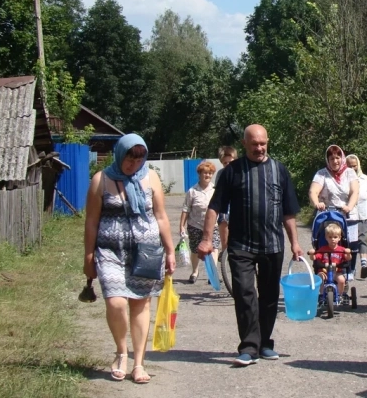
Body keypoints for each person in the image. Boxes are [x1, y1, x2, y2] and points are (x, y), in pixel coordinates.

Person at [197, 124, 303, 366]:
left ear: (268, 142)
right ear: (244, 144)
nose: (259, 148)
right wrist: (206, 239)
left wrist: (295, 243)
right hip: (240, 245)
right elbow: (215, 207)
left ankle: (265, 343)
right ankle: (248, 347)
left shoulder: (279, 170)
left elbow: (289, 212)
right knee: (245, 294)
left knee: (268, 297)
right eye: (254, 144)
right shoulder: (231, 172)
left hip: (272, 244)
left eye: (263, 143)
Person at [83, 133, 176, 384]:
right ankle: (121, 353)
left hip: (145, 252)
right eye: (129, 159)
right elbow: (91, 221)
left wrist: (169, 251)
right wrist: (88, 256)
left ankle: (138, 363)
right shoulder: (100, 180)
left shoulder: (151, 177)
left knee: (140, 304)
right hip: (109, 251)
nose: (132, 165)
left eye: (138, 160)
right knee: (116, 303)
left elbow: (161, 217)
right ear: (119, 154)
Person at [308, 145, 359, 280]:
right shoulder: (321, 173)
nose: (335, 161)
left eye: (337, 158)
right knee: (323, 242)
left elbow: (355, 191)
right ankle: (321, 269)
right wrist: (317, 203)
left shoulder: (349, 172)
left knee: (346, 244)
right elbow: (313, 191)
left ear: (341, 158)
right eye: (331, 158)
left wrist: (349, 206)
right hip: (326, 213)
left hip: (345, 214)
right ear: (327, 160)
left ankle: (345, 271)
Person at [179, 160, 218, 283]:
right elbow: (186, 209)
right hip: (195, 225)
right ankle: (195, 272)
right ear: (199, 174)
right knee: (195, 249)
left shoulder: (216, 190)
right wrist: (181, 226)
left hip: (213, 225)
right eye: (205, 173)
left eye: (210, 173)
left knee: (214, 248)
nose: (207, 176)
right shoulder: (192, 191)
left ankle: (212, 274)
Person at [345, 154, 367, 278]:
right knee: (351, 242)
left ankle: (363, 266)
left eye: (354, 166)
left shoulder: (365, 178)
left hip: (365, 213)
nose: (352, 168)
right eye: (349, 166)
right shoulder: (344, 179)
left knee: (363, 240)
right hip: (350, 215)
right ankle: (350, 268)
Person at [308, 223, 352, 297]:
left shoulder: (342, 250)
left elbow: (348, 258)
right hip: (324, 271)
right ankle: (322, 295)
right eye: (330, 237)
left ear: (339, 238)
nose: (332, 239)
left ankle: (339, 295)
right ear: (326, 238)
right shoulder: (323, 249)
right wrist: (312, 254)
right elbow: (315, 258)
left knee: (341, 280)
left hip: (337, 271)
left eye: (335, 237)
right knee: (319, 278)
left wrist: (348, 253)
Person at [216, 146, 238, 250]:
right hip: (226, 202)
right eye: (225, 163)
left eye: (230, 162)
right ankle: (225, 248)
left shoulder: (240, 172)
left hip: (238, 202)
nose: (228, 165)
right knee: (223, 219)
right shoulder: (221, 174)